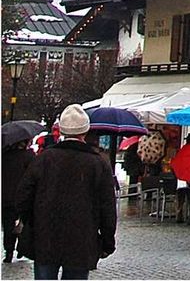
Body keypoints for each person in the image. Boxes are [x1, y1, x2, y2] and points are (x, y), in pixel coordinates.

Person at [15, 104, 116, 280]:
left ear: (62, 130)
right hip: (81, 238)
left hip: (45, 235)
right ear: (85, 131)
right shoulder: (97, 163)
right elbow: (107, 206)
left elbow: (23, 197)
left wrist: (34, 220)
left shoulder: (45, 159)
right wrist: (107, 241)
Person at [2, 138, 34, 263]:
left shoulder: (4, 156)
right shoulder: (28, 157)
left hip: (6, 197)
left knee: (8, 224)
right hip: (23, 195)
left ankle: (9, 251)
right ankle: (22, 247)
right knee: (23, 223)